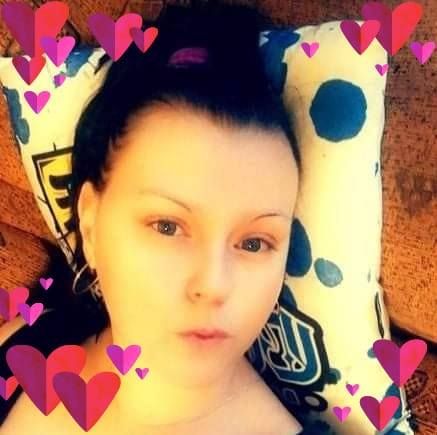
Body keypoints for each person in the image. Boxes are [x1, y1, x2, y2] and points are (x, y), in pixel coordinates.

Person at [0, 1, 303, 433]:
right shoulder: (23, 346)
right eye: (167, 226)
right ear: (90, 225)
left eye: (254, 243)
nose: (214, 285)